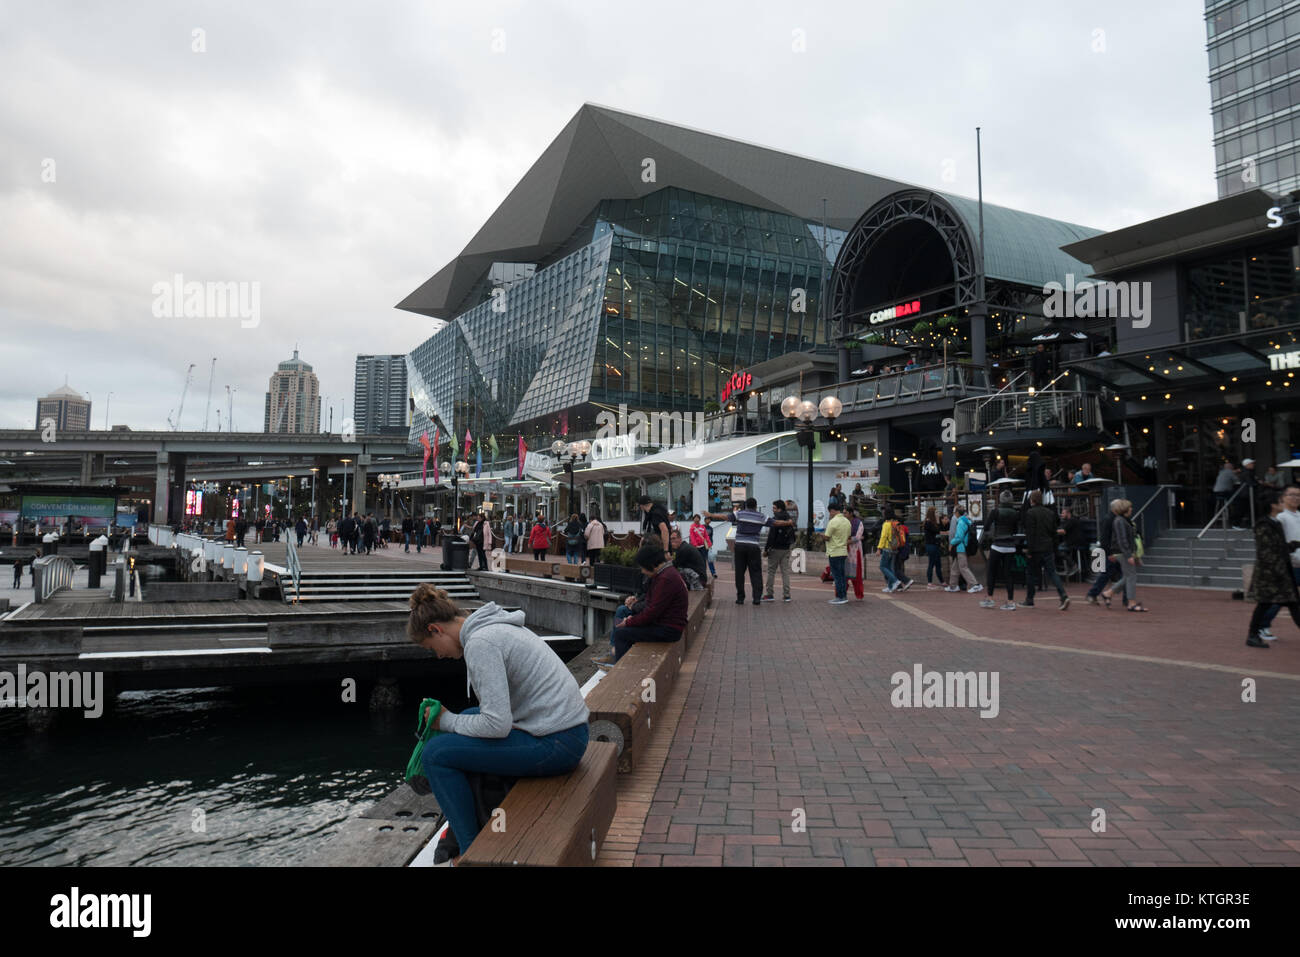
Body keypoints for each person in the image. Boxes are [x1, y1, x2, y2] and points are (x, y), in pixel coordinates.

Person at [409, 585, 589, 862]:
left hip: (557, 743)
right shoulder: (494, 627)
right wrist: (452, 721)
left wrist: (446, 721)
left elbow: (496, 726)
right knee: (468, 716)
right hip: (567, 731)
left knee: (436, 755)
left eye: (431, 648)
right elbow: (492, 716)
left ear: (436, 629)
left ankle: (471, 851)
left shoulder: (481, 643)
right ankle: (466, 831)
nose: (438, 656)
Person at [593, 542, 688, 666]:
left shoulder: (665, 579)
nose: (642, 571)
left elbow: (652, 612)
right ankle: (617, 659)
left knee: (621, 634)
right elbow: (651, 604)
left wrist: (629, 621)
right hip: (665, 624)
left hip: (669, 629)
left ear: (651, 564)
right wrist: (634, 614)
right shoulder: (665, 574)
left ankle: (620, 671)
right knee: (623, 628)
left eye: (643, 567)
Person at [704, 498, 793, 605]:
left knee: (740, 572)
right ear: (755, 506)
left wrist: (711, 515)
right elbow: (776, 523)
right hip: (753, 547)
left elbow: (725, 517)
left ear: (746, 505)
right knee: (755, 572)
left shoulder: (739, 513)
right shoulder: (761, 516)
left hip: (740, 546)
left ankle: (740, 598)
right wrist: (788, 523)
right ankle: (756, 598)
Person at [1246, 488, 1300, 648]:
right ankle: (1253, 634)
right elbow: (1266, 552)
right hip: (1271, 575)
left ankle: (1253, 634)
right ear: (1273, 505)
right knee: (1265, 604)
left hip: (1280, 573)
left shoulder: (1274, 523)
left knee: (1292, 604)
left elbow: (1279, 547)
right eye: (1280, 501)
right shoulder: (1264, 525)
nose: (1283, 503)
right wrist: (1279, 568)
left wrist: (1294, 545)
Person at [1021, 490, 1071, 610]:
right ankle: (1063, 595)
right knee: (1052, 572)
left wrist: (1029, 550)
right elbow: (1054, 533)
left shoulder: (1030, 513)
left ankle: (1029, 599)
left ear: (1032, 500)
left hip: (1036, 547)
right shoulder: (1050, 513)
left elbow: (1030, 533)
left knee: (1031, 573)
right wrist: (1055, 548)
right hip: (1048, 547)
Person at [1100, 498, 1145, 612]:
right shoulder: (1120, 521)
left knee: (1128, 576)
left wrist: (1134, 554)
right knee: (1131, 576)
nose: (1131, 509)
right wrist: (1129, 554)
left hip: (1123, 551)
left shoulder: (1123, 520)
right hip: (1122, 552)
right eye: (1130, 507)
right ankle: (1131, 602)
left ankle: (1108, 593)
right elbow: (1122, 540)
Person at [980, 491, 1021, 610]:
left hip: (997, 545)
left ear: (1001, 500)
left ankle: (990, 598)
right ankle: (1010, 601)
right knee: (1008, 574)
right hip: (1010, 546)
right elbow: (1015, 529)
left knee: (991, 572)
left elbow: (986, 526)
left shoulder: (995, 511)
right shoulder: (1015, 513)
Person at [761, 499, 796, 602]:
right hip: (786, 548)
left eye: (774, 508)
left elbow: (771, 536)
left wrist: (766, 549)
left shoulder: (775, 519)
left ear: (779, 508)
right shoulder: (789, 518)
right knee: (785, 572)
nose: (773, 509)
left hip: (775, 548)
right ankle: (787, 595)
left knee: (771, 571)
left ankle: (769, 594)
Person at [944, 504, 982, 593]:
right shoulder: (967, 520)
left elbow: (959, 537)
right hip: (963, 547)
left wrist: (952, 543)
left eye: (954, 512)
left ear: (957, 513)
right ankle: (953, 586)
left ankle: (975, 584)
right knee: (955, 568)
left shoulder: (961, 522)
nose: (954, 514)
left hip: (961, 548)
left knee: (963, 567)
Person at [824, 502, 851, 605]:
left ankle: (840, 597)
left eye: (830, 512)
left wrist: (821, 536)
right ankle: (843, 596)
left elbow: (827, 537)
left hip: (834, 551)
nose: (829, 514)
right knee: (842, 575)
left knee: (837, 576)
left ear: (832, 510)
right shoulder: (847, 521)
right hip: (843, 551)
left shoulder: (833, 522)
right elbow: (848, 536)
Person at [877, 507, 908, 593]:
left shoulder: (886, 524)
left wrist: (879, 548)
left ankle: (895, 581)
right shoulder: (896, 523)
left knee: (882, 566)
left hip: (887, 548)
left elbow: (883, 537)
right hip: (895, 548)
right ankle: (890, 586)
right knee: (891, 568)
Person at [844, 505, 866, 600]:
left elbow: (857, 537)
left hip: (855, 550)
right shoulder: (843, 522)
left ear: (851, 513)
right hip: (844, 550)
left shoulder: (858, 523)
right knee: (844, 574)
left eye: (845, 513)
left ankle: (859, 594)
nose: (843, 514)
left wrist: (846, 541)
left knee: (856, 575)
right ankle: (841, 594)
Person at [689, 515, 717, 580]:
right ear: (693, 519)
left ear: (699, 519)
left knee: (704, 561)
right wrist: (695, 545)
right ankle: (696, 574)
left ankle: (704, 574)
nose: (696, 519)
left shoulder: (702, 527)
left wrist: (709, 544)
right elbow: (692, 537)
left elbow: (706, 536)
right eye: (695, 518)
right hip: (696, 547)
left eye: (698, 518)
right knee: (696, 561)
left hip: (703, 547)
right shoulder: (692, 528)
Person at [922, 506, 943, 589]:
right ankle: (929, 583)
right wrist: (938, 521)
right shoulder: (928, 522)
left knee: (938, 563)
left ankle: (942, 581)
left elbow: (939, 530)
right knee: (931, 563)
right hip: (931, 545)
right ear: (932, 514)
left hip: (935, 545)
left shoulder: (932, 522)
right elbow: (937, 530)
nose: (938, 514)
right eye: (936, 512)